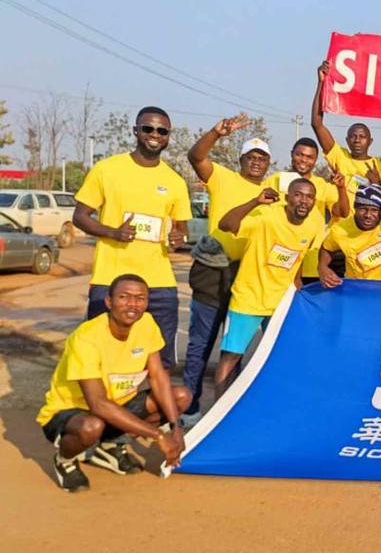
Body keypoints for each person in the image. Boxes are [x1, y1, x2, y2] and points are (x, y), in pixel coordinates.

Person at [37, 274, 190, 492]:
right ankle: (65, 460)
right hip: (74, 411)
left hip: (117, 404)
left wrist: (175, 426)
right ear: (109, 302)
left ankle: (110, 445)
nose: (132, 304)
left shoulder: (146, 323)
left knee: (180, 397)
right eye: (124, 297)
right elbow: (98, 404)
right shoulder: (86, 338)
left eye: (140, 298)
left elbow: (158, 376)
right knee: (91, 426)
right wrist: (157, 435)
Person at [73, 106, 191, 372]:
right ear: (136, 131)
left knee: (160, 361)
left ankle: (151, 400)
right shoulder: (107, 169)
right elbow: (79, 216)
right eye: (148, 128)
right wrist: (113, 232)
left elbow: (182, 230)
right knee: (101, 356)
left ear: (168, 136)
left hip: (159, 283)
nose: (155, 135)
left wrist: (178, 237)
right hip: (110, 278)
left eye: (162, 131)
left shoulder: (174, 181)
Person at [182, 114, 271, 424]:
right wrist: (216, 133)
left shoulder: (272, 193)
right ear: (241, 160)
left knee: (235, 348)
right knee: (202, 343)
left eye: (262, 158)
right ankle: (189, 409)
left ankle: (228, 412)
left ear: (268, 164)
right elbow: (196, 157)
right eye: (251, 156)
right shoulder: (222, 177)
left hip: (249, 276)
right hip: (214, 271)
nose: (257, 162)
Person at [213, 179, 322, 396]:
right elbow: (225, 225)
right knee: (231, 356)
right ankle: (219, 409)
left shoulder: (312, 227)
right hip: (248, 300)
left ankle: (275, 401)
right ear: (287, 197)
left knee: (281, 356)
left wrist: (297, 283)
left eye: (309, 197)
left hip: (280, 305)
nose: (304, 201)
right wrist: (255, 202)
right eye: (298, 195)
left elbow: (298, 257)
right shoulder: (267, 217)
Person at [264, 137, 350, 284]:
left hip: (311, 265)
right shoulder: (274, 180)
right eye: (299, 154)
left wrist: (341, 188)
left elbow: (342, 212)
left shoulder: (322, 185)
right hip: (276, 263)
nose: (304, 160)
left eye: (309, 157)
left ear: (315, 160)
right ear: (292, 154)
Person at [311, 61, 381, 201]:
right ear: (347, 140)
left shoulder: (380, 168)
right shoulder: (341, 157)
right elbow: (317, 124)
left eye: (362, 136)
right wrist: (321, 83)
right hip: (341, 216)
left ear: (370, 141)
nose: (357, 140)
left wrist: (377, 184)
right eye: (353, 136)